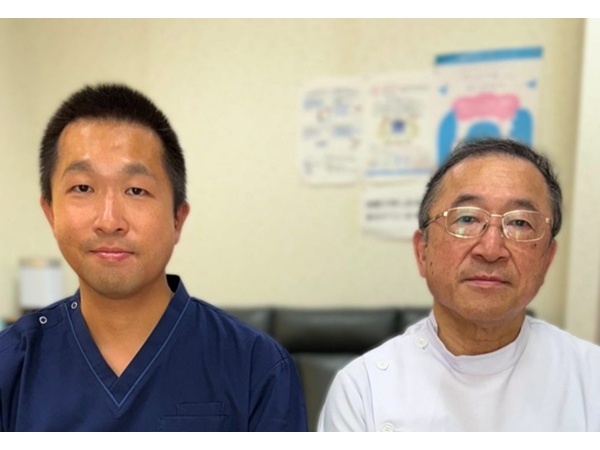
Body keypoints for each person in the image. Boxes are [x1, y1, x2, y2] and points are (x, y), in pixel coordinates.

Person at [0, 84, 307, 431]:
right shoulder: (10, 365)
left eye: (136, 190)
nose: (109, 221)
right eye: (83, 188)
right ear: (51, 213)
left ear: (178, 219)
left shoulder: (257, 367)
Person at [318, 138, 600, 431]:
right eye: (467, 218)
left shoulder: (591, 378)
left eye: (519, 223)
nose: (491, 249)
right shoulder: (364, 389)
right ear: (423, 252)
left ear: (547, 259)